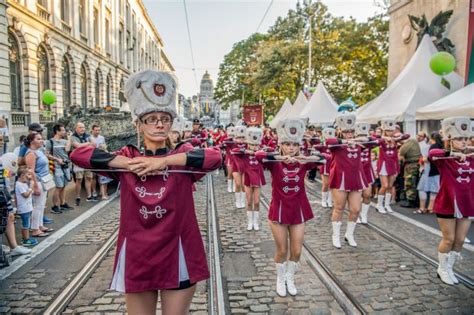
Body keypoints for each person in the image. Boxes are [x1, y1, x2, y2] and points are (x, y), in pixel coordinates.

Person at [70, 70, 222, 314]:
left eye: (165, 118)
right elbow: (78, 155)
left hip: (178, 250)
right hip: (139, 255)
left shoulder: (181, 155)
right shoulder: (128, 156)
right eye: (151, 118)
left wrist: (162, 163)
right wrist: (129, 164)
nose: (160, 124)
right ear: (138, 124)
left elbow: (215, 157)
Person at [256, 118, 325, 297]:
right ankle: (280, 279)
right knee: (282, 250)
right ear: (281, 145)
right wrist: (278, 156)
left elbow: (325, 157)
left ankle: (290, 277)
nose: (291, 148)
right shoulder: (275, 162)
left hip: (298, 211)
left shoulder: (303, 162)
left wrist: (306, 157)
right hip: (278, 210)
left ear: (299, 145)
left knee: (296, 250)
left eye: (294, 144)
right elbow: (258, 156)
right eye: (287, 144)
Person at [429, 116, 473, 285]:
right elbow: (433, 153)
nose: (463, 142)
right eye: (459, 139)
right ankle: (442, 268)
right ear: (449, 140)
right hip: (447, 203)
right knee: (449, 239)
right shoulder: (444, 160)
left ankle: (450, 268)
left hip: (467, 204)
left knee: (460, 240)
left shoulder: (471, 157)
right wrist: (452, 153)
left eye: (465, 139)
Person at [327, 114, 367, 248]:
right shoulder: (336, 144)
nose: (349, 134)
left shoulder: (359, 142)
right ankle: (335, 235)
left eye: (351, 131)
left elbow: (374, 140)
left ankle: (349, 234)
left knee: (355, 209)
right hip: (340, 178)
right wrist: (344, 142)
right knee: (339, 207)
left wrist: (358, 139)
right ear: (340, 131)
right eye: (346, 131)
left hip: (356, 178)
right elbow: (328, 142)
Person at [232, 127, 265, 231]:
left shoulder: (261, 152)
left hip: (258, 178)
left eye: (256, 145)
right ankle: (250, 222)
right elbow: (234, 151)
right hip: (247, 178)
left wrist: (260, 150)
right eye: (252, 144)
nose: (254, 147)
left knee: (256, 202)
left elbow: (271, 150)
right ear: (248, 143)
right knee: (249, 201)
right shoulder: (244, 153)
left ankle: (256, 222)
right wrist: (246, 150)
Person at [374, 119, 409, 213]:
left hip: (393, 164)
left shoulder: (395, 139)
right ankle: (379, 204)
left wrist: (397, 138)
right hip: (384, 164)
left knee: (390, 186)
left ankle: (387, 205)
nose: (390, 132)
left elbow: (407, 137)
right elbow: (373, 137)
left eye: (391, 130)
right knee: (384, 185)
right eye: (388, 130)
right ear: (385, 130)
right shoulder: (382, 140)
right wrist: (384, 137)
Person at [25, 133, 54, 237]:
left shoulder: (39, 151)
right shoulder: (31, 154)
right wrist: (35, 186)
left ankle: (40, 225)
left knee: (42, 205)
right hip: (38, 182)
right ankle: (35, 229)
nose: (41, 140)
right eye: (38, 139)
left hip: (44, 181)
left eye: (41, 139)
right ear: (32, 141)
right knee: (37, 206)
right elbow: (30, 171)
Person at [2, 163, 32, 256]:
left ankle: (14, 247)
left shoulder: (3, 166)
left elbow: (5, 175)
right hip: (3, 198)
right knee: (9, 218)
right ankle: (14, 246)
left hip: (3, 197)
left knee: (9, 218)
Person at [45, 123, 74, 214]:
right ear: (57, 131)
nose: (65, 132)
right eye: (63, 130)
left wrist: (69, 138)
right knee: (59, 187)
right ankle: (54, 206)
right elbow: (46, 154)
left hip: (65, 166)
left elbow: (67, 149)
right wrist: (56, 159)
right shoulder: (50, 142)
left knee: (64, 186)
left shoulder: (64, 141)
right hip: (56, 167)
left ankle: (63, 203)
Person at [355, 123, 378, 224]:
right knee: (357, 195)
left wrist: (367, 138)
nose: (362, 137)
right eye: (360, 135)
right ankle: (357, 214)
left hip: (367, 171)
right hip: (357, 171)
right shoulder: (353, 143)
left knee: (367, 194)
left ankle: (364, 214)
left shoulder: (369, 142)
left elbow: (378, 140)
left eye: (364, 135)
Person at [416, 132, 443, 214]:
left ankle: (422, 208)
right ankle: (430, 208)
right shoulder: (441, 147)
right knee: (434, 189)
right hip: (438, 170)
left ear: (432, 139)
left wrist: (424, 158)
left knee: (422, 188)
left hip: (429, 169)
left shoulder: (432, 147)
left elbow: (428, 159)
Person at [71, 122, 96, 205]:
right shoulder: (73, 137)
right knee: (79, 180)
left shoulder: (88, 135)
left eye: (84, 127)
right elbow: (77, 146)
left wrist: (84, 145)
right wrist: (88, 143)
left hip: (87, 160)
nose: (83, 129)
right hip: (78, 161)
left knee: (89, 178)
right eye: (80, 127)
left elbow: (94, 144)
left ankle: (89, 196)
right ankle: (77, 197)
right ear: (76, 128)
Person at [15, 167, 38, 246]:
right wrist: (31, 188)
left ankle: (25, 237)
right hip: (24, 208)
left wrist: (30, 180)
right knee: (26, 224)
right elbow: (25, 195)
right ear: (22, 175)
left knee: (27, 223)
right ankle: (26, 240)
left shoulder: (23, 183)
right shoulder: (19, 185)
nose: (29, 177)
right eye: (27, 175)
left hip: (27, 207)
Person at [398, 136, 422, 208]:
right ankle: (416, 200)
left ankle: (411, 200)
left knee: (410, 182)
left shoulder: (407, 144)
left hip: (410, 165)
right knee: (416, 182)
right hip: (417, 164)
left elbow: (401, 155)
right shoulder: (414, 142)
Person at [314, 128, 335, 208]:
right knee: (326, 184)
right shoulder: (323, 145)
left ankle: (329, 200)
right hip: (325, 167)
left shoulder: (335, 146)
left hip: (333, 167)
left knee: (331, 185)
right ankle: (323, 200)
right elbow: (314, 146)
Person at [231, 125, 247, 209]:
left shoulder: (247, 144)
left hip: (245, 166)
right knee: (238, 184)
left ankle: (243, 200)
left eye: (243, 137)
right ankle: (238, 200)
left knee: (244, 185)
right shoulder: (233, 144)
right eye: (239, 137)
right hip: (236, 165)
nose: (241, 139)